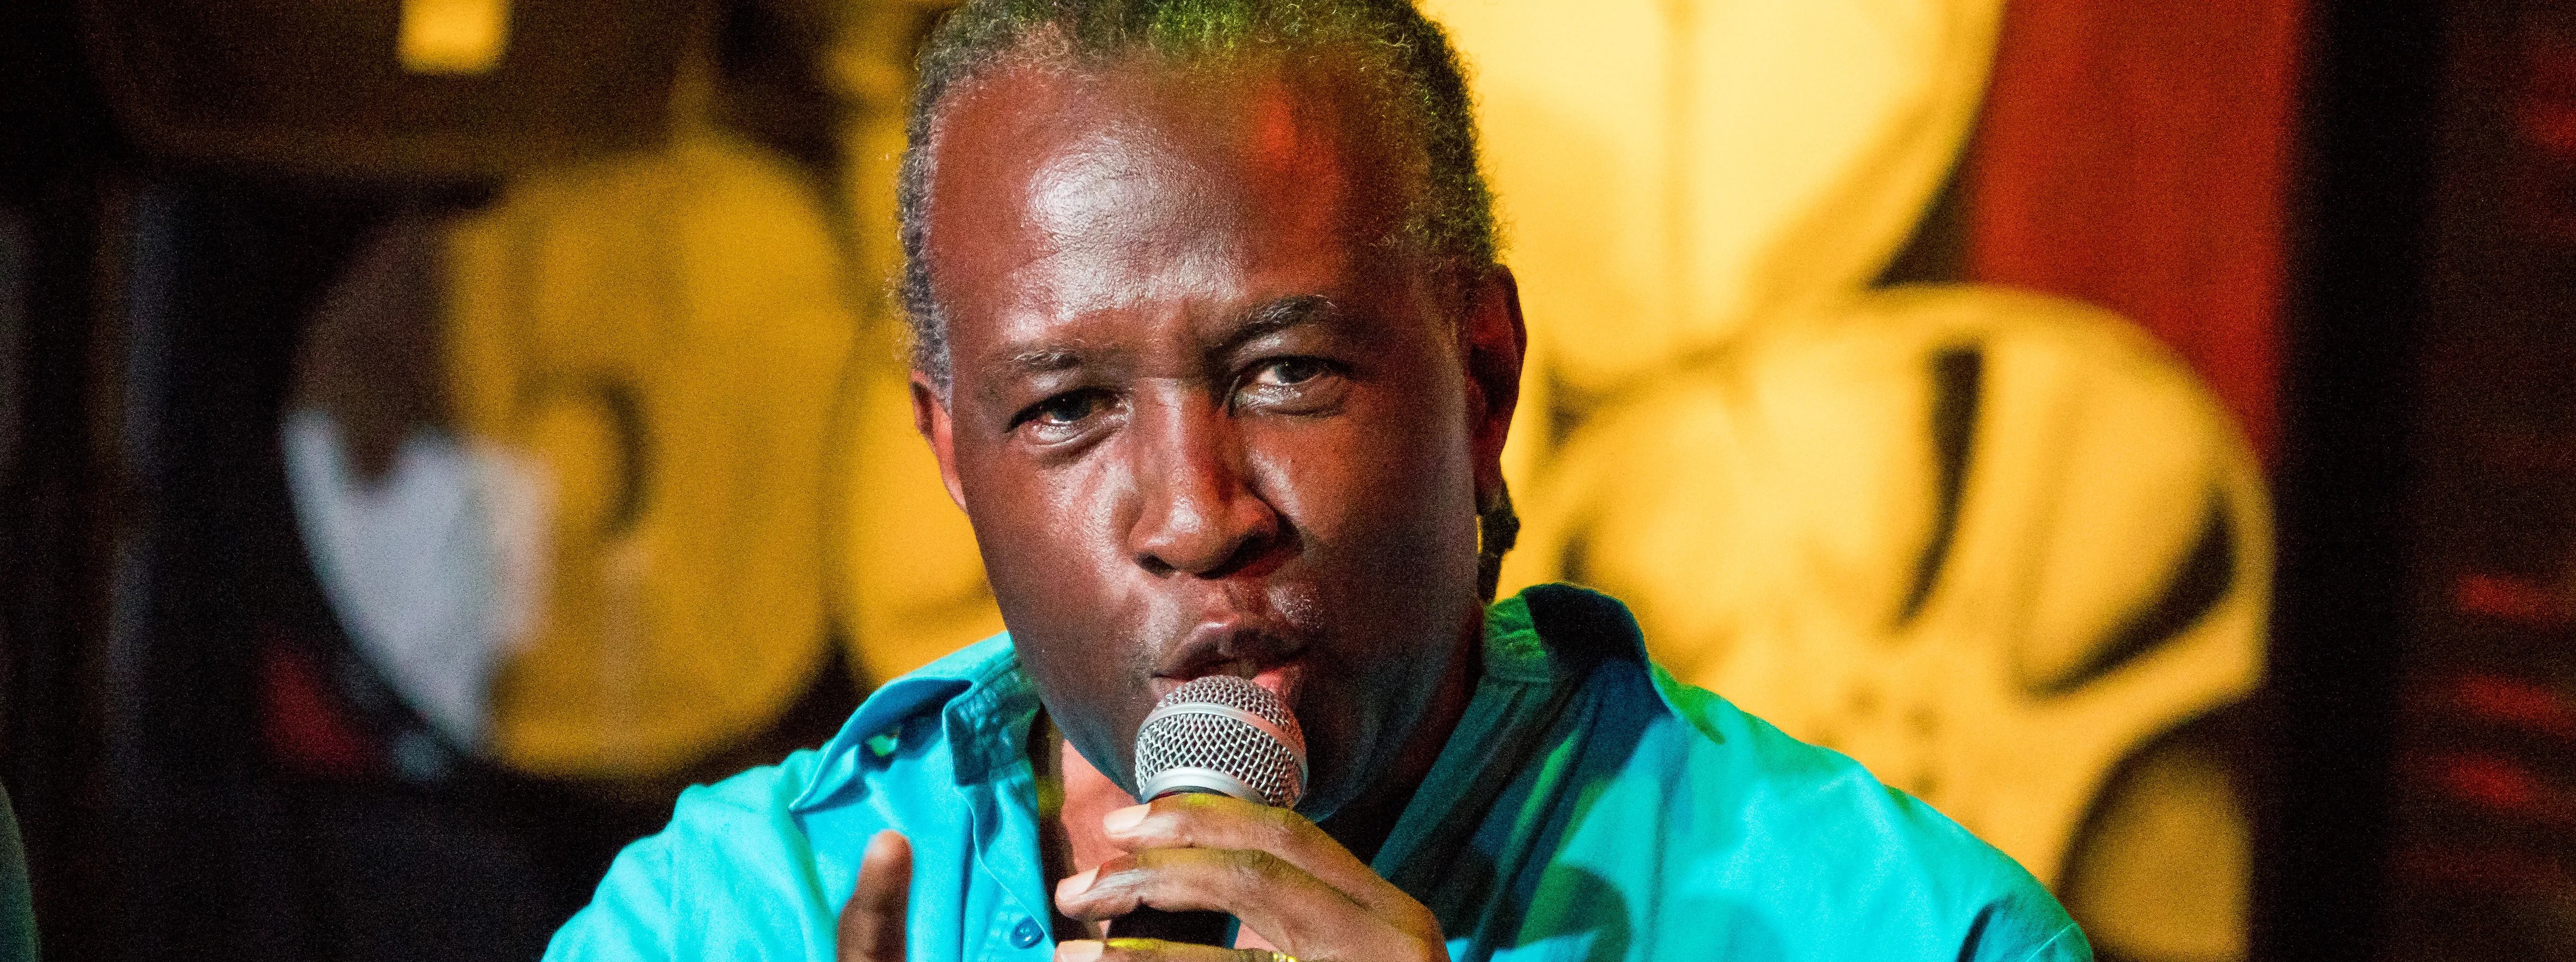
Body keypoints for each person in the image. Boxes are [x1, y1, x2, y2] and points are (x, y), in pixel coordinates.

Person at [543, 2, 2092, 960]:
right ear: (951, 458)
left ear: (1482, 378)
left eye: (1287, 372)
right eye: (1069, 407)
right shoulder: (730, 923)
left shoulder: (1900, 933)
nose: (1197, 513)